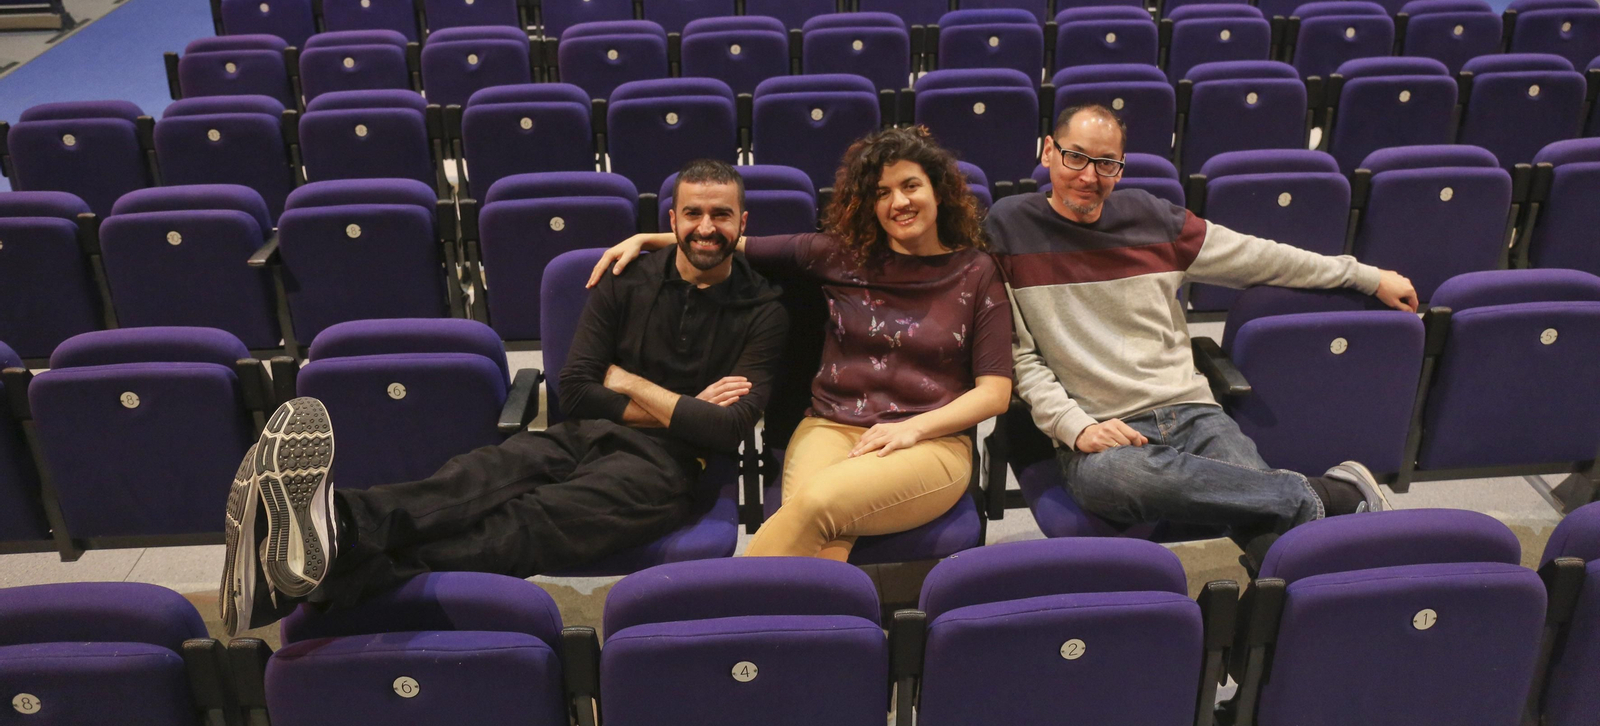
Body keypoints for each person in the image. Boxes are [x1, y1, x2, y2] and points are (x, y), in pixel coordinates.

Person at [220, 159, 787, 635]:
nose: (706, 226)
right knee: (472, 478)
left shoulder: (764, 310)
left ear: (743, 223)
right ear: (673, 218)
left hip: (672, 468)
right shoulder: (624, 274)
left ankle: (314, 572)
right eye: (693, 213)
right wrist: (686, 408)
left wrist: (632, 381)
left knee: (528, 523)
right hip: (583, 435)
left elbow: (723, 431)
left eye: (721, 214)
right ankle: (332, 524)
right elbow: (580, 388)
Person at [984, 103, 1421, 564]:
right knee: (1110, 482)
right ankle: (1329, 493)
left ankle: (1310, 613)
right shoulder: (1009, 228)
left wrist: (1364, 275)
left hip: (1190, 411)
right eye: (1076, 157)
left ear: (1121, 168)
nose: (1090, 176)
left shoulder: (1154, 220)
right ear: (1049, 151)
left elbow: (1261, 256)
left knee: (1272, 537)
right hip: (1103, 430)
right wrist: (1075, 427)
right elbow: (1021, 357)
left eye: (1107, 163)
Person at [592, 127, 1014, 560]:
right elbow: (724, 242)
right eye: (882, 192)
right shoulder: (838, 254)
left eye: (910, 186)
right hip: (830, 425)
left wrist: (912, 430)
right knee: (820, 532)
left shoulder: (976, 272)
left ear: (938, 191)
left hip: (930, 439)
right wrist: (645, 239)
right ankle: (817, 626)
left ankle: (728, 611)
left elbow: (995, 394)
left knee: (814, 504)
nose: (898, 202)